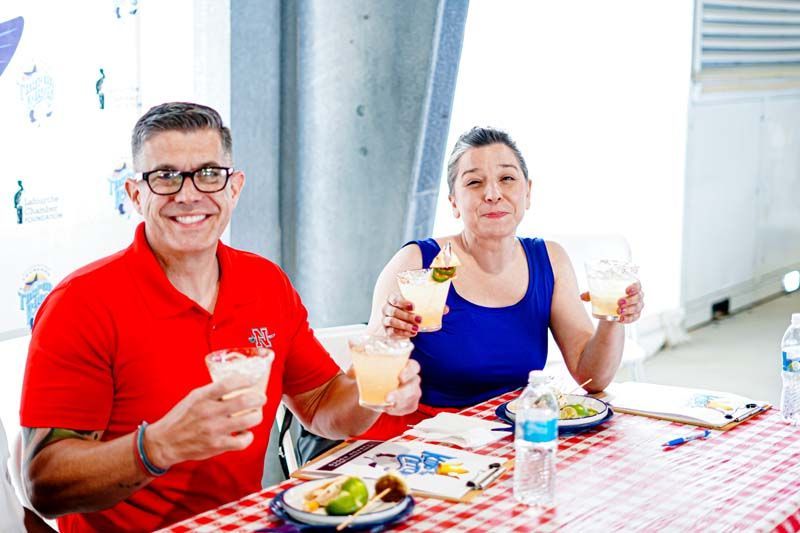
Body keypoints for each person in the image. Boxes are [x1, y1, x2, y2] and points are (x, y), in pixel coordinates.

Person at [18, 102, 422, 532]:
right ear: (136, 195)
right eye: (166, 176)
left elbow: (322, 406)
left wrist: (371, 389)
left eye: (209, 174)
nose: (189, 194)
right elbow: (45, 484)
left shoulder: (265, 282)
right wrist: (157, 446)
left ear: (234, 188)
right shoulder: (80, 302)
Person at [359, 126, 644, 439]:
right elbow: (368, 376)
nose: (493, 193)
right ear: (454, 202)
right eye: (474, 182)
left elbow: (592, 378)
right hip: (419, 438)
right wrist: (389, 333)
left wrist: (612, 320)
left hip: (506, 437)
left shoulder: (549, 260)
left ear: (528, 192)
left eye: (507, 178)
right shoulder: (416, 263)